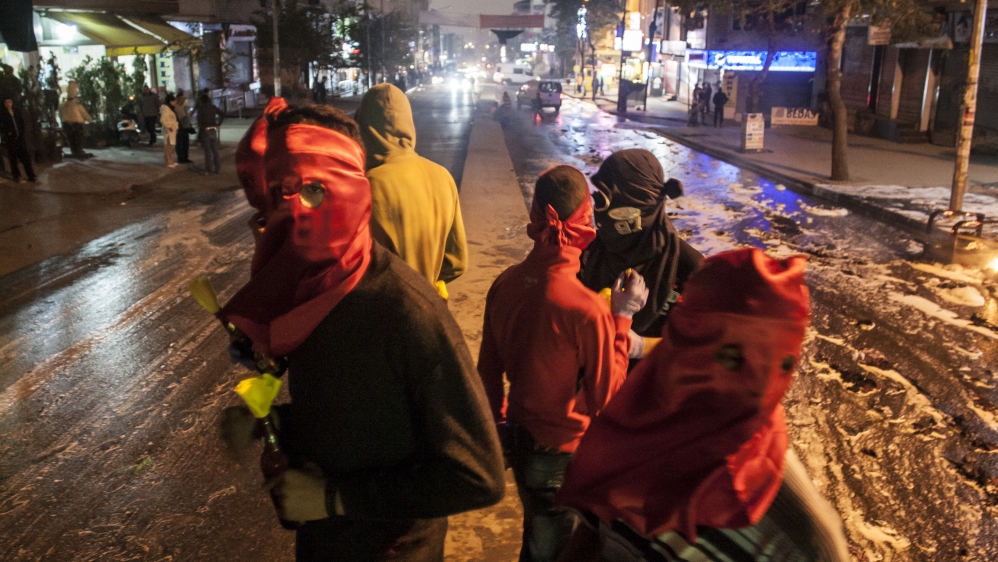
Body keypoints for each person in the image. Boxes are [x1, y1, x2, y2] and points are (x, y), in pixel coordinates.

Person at [220, 100, 505, 561]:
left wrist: (336, 498)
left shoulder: (405, 312)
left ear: (353, 190)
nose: (295, 213)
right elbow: (359, 415)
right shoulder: (311, 295)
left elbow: (478, 476)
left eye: (314, 190)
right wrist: (272, 424)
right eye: (280, 194)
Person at [557, 249, 852, 562]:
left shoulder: (802, 538)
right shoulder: (627, 434)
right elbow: (589, 541)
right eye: (730, 358)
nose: (757, 389)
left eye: (781, 364)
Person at [478, 166, 648, 562]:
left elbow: (487, 374)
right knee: (554, 548)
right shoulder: (586, 310)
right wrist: (623, 318)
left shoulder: (504, 284)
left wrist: (499, 431)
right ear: (586, 222)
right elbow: (608, 397)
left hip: (518, 441)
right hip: (561, 454)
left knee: (539, 535)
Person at [355, 83, 468, 298]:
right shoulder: (442, 176)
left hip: (385, 316)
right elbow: (456, 263)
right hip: (430, 312)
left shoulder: (365, 187)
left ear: (364, 127)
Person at [580, 149, 702, 341]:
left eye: (605, 199)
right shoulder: (587, 256)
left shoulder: (689, 269)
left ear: (640, 203)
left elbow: (702, 345)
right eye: (597, 198)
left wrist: (644, 347)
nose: (599, 211)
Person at [0, 97, 35, 183]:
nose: (8, 104)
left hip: (20, 138)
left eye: (9, 102)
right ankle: (16, 175)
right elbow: (2, 126)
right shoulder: (3, 114)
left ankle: (31, 175)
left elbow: (21, 122)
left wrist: (21, 132)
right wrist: (8, 133)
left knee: (25, 157)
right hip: (11, 139)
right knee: (13, 159)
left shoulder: (17, 111)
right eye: (6, 102)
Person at [59, 81, 93, 158]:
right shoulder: (77, 106)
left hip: (67, 125)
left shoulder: (63, 106)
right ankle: (78, 151)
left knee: (71, 140)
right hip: (78, 125)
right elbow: (85, 115)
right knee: (78, 139)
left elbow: (60, 115)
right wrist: (90, 120)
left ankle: (74, 151)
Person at [196, 92, 225, 174]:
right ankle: (218, 168)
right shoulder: (213, 107)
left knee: (208, 151)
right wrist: (218, 124)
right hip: (213, 129)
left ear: (201, 101)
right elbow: (223, 114)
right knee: (215, 150)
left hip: (205, 130)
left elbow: (199, 120)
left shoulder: (201, 108)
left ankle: (209, 169)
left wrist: (203, 127)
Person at [160, 93, 179, 168]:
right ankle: (168, 162)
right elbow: (163, 119)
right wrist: (168, 126)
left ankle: (172, 160)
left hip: (173, 129)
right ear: (170, 101)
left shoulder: (171, 109)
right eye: (173, 101)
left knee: (172, 146)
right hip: (168, 130)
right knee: (168, 146)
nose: (175, 103)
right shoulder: (165, 108)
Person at [174, 89, 193, 164]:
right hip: (179, 126)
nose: (182, 100)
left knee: (186, 143)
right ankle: (180, 158)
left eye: (183, 98)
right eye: (181, 99)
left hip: (186, 126)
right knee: (179, 143)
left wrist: (190, 123)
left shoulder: (185, 106)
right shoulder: (176, 107)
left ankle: (186, 157)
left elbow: (188, 116)